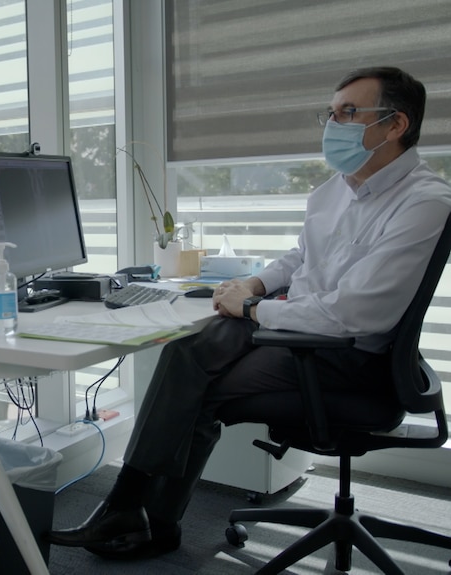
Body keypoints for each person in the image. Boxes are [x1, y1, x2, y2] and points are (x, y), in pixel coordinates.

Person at [48, 66, 451, 559]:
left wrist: (256, 309)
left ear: (395, 125)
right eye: (330, 113)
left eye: (349, 113)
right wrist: (255, 284)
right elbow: (300, 259)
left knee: (197, 389)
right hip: (301, 326)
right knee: (187, 352)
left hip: (347, 355)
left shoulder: (423, 203)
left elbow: (353, 317)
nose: (333, 124)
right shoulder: (334, 191)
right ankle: (129, 508)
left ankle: (143, 515)